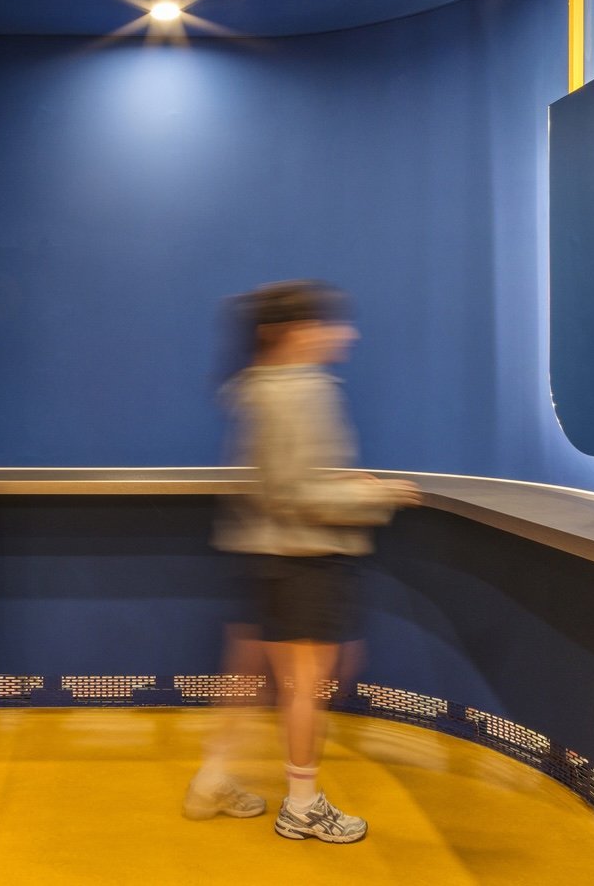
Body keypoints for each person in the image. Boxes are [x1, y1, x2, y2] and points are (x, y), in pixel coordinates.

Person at [183, 280, 421, 842]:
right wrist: (377, 495)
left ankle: (212, 779)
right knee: (309, 684)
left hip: (265, 552)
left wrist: (344, 481)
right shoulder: (302, 390)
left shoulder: (260, 386)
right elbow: (296, 492)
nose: (346, 334)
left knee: (251, 673)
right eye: (330, 323)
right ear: (293, 332)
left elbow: (287, 478)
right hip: (305, 557)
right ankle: (303, 805)